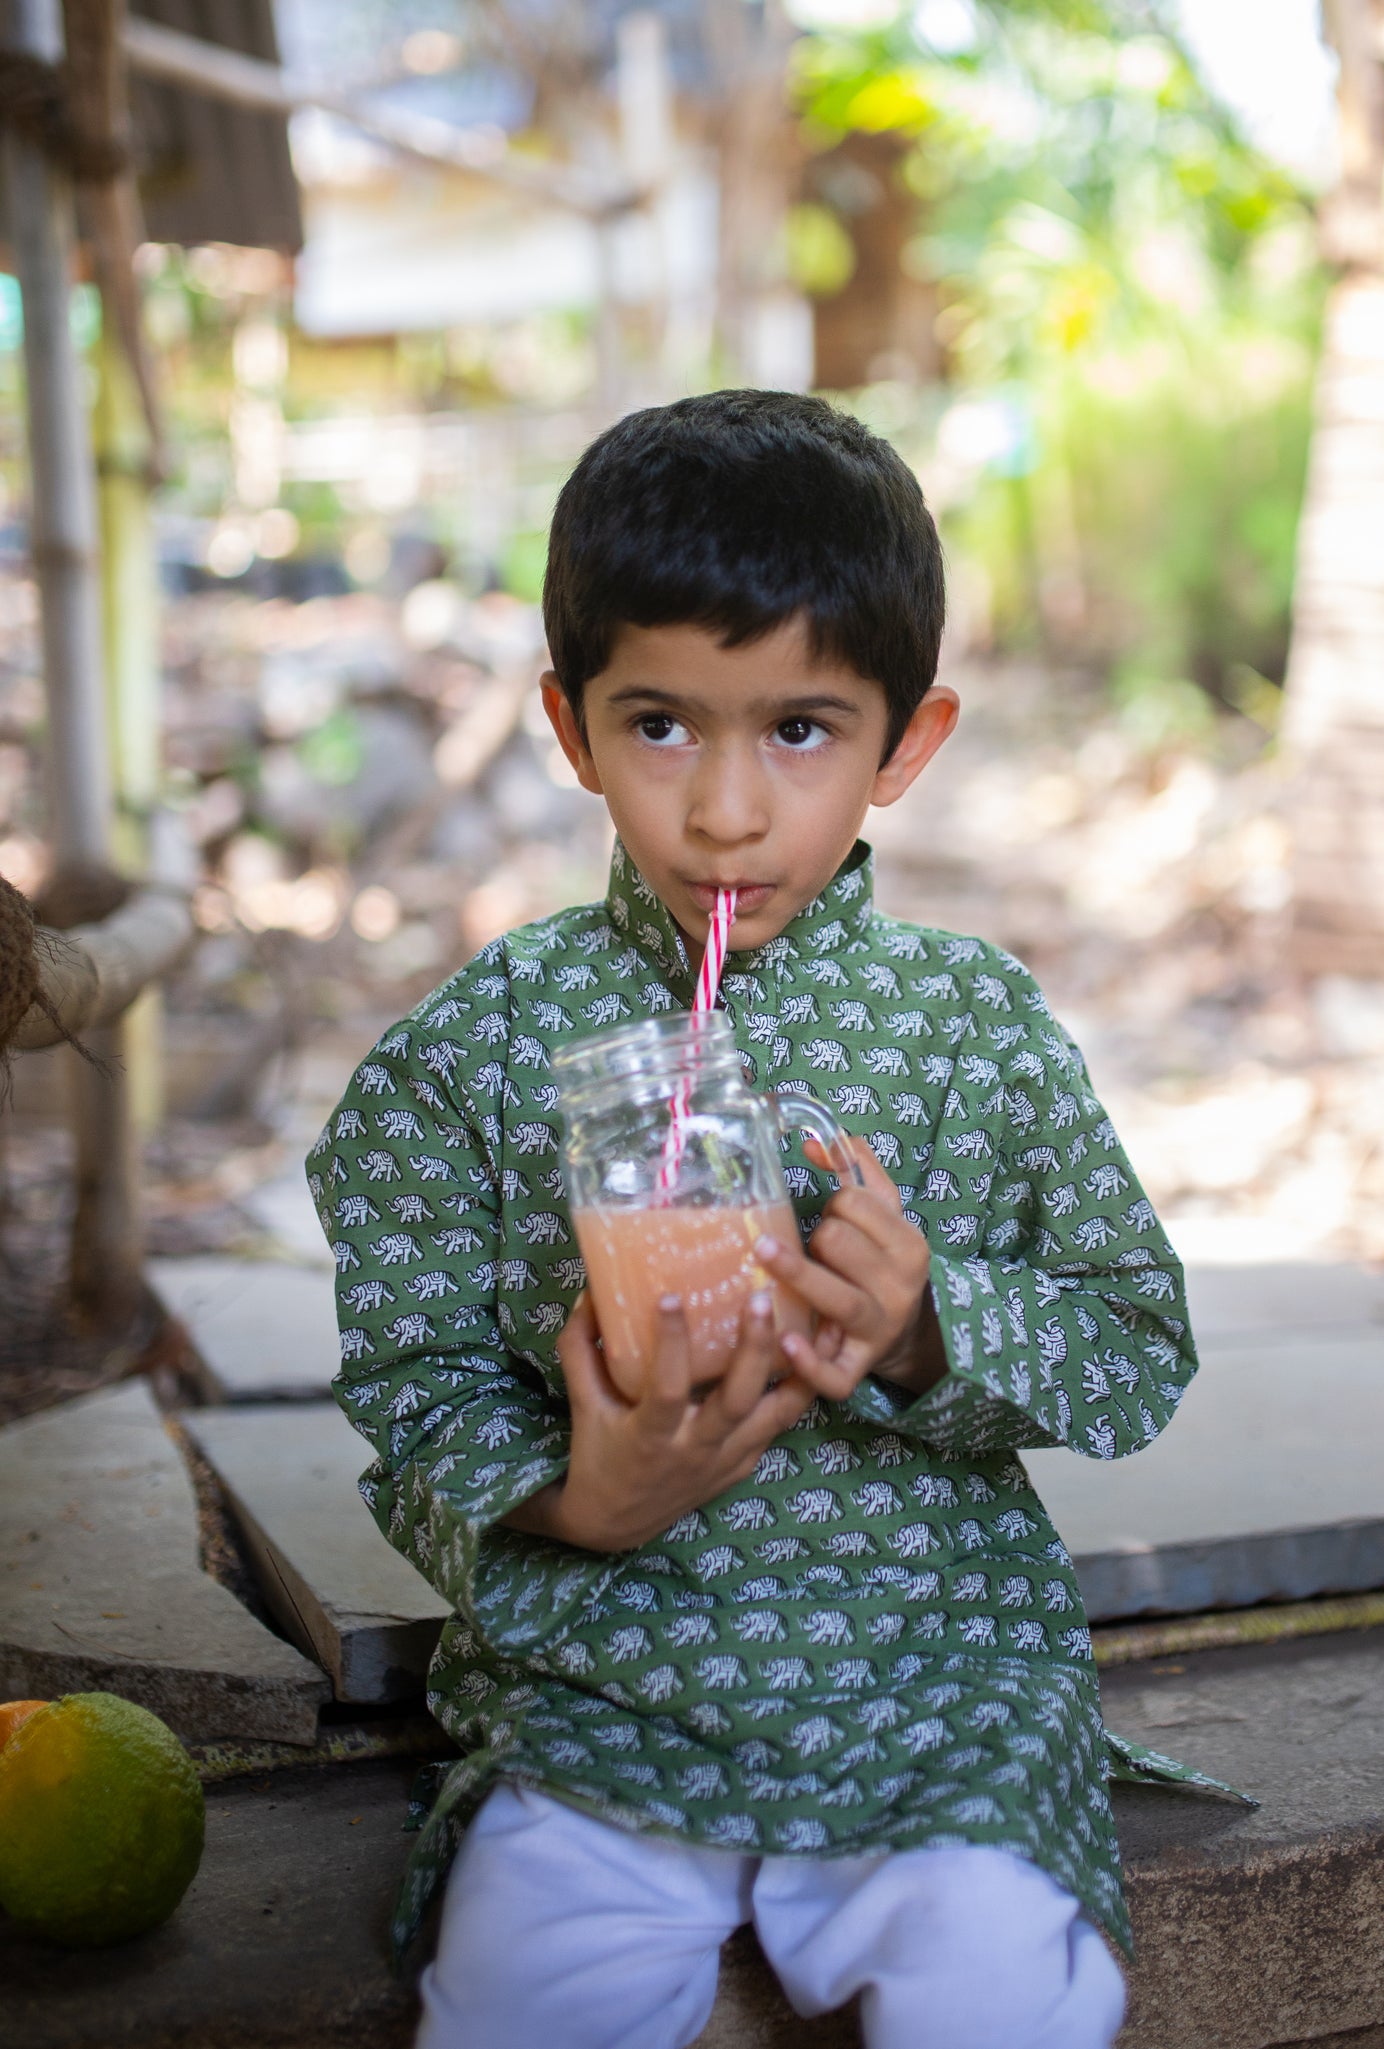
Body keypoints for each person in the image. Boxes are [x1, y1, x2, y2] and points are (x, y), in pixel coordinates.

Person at [308, 391, 1235, 2049]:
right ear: (571, 726)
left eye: (799, 730)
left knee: (1003, 1989)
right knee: (519, 2001)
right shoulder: (471, 1058)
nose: (725, 812)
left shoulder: (971, 1028)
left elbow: (1134, 1343)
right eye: (660, 724)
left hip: (930, 1691)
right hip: (603, 1696)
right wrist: (576, 1500)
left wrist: (938, 1315)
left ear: (907, 741)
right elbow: (415, 1389)